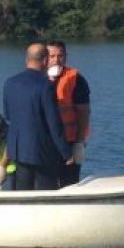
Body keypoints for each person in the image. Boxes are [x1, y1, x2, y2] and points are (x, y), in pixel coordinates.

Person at [2, 43, 73, 190]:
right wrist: (66, 152)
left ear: (26, 59)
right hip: (43, 154)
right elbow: (54, 123)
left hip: (19, 151)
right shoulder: (46, 86)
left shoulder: (10, 83)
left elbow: (8, 115)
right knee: (46, 194)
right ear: (45, 61)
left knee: (23, 194)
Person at [46, 40, 91, 187]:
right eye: (52, 56)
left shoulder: (75, 79)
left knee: (70, 183)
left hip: (70, 141)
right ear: (45, 57)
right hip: (45, 142)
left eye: (60, 56)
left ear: (66, 56)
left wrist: (79, 142)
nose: (56, 60)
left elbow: (84, 113)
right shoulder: (37, 78)